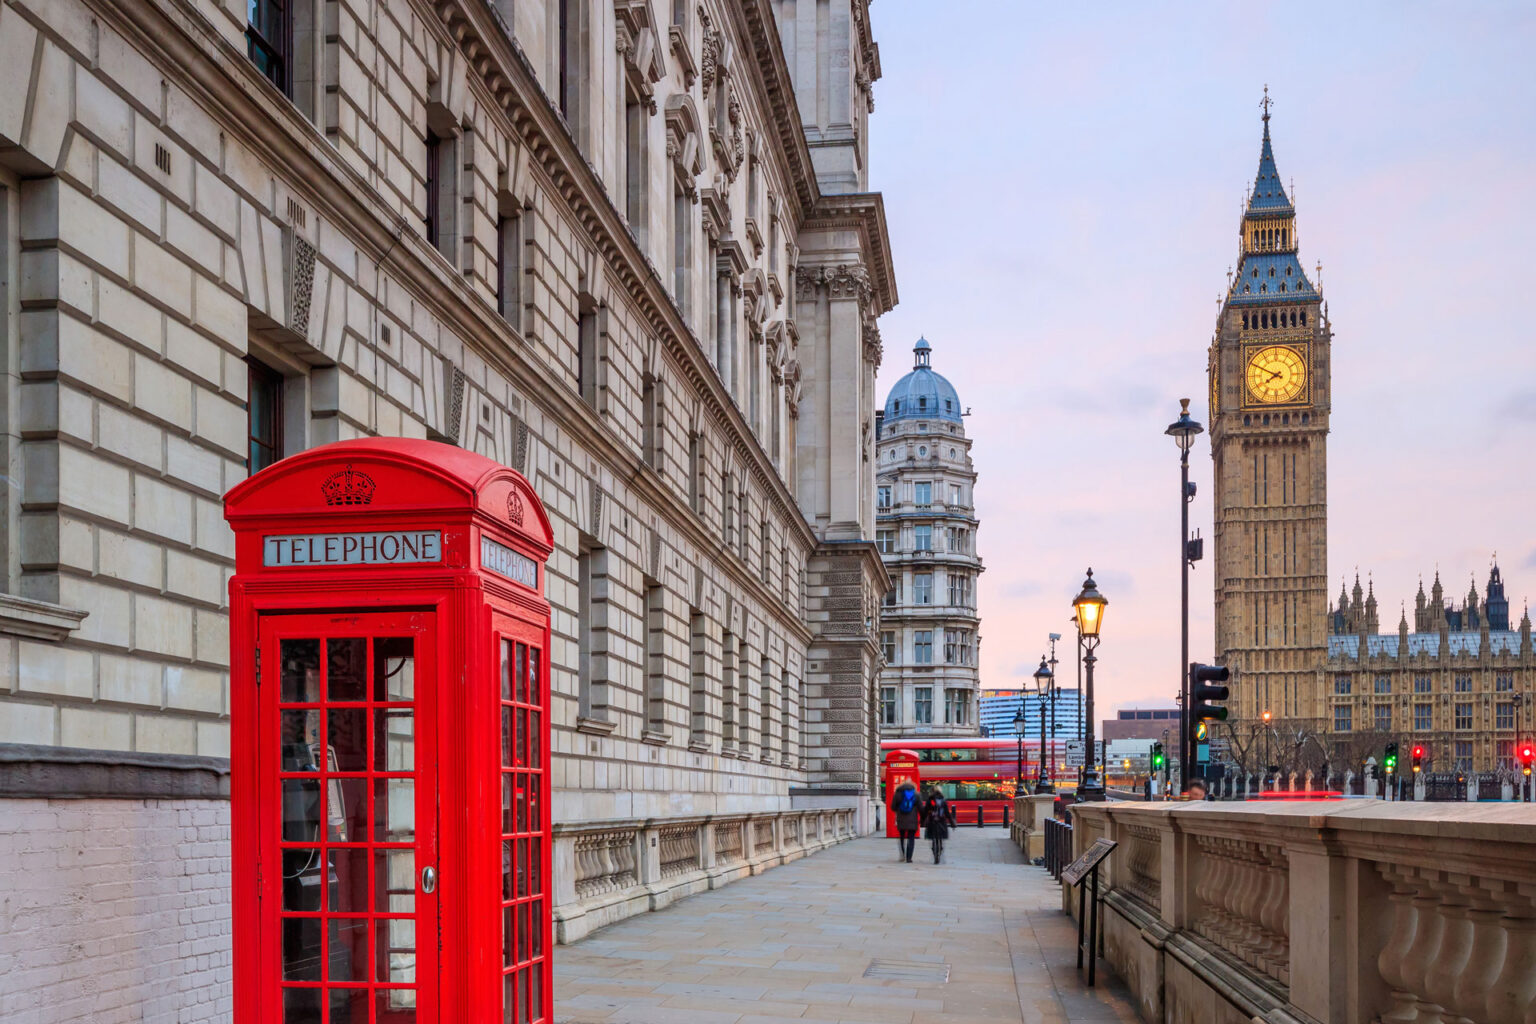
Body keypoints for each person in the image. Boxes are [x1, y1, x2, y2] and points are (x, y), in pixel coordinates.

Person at [890, 780, 922, 863]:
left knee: (901, 837)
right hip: (913, 820)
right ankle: (909, 858)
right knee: (911, 838)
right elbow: (921, 809)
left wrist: (898, 809)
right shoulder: (916, 794)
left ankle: (902, 855)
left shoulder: (898, 794)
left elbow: (892, 807)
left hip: (901, 819)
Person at [921, 787, 951, 864]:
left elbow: (925, 811)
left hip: (932, 821)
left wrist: (922, 821)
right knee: (940, 838)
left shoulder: (930, 800)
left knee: (932, 838)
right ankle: (940, 849)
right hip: (941, 821)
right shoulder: (943, 800)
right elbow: (947, 813)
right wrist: (952, 822)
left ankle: (934, 853)